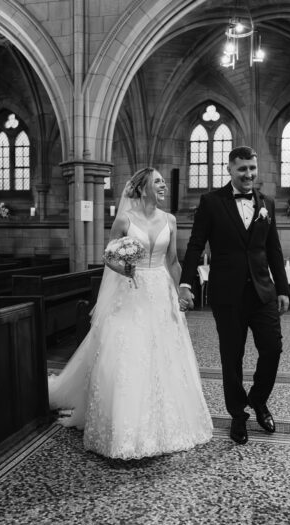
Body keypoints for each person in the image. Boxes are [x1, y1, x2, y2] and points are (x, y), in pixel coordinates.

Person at [48, 167, 212, 459]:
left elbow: (173, 260)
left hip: (160, 290)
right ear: (142, 187)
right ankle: (126, 428)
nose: (163, 186)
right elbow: (109, 255)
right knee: (129, 353)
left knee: (164, 354)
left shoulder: (170, 220)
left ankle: (165, 423)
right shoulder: (124, 219)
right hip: (131, 293)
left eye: (163, 182)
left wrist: (181, 292)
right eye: (158, 182)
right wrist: (123, 267)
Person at [179, 146, 290, 445]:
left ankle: (258, 399)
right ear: (229, 169)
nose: (249, 174)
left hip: (262, 290)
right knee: (232, 357)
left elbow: (273, 249)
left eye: (252, 168)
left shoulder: (267, 203)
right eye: (242, 169)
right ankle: (238, 414)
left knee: (273, 349)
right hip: (227, 294)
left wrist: (282, 288)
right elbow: (195, 245)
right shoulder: (211, 202)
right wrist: (186, 283)